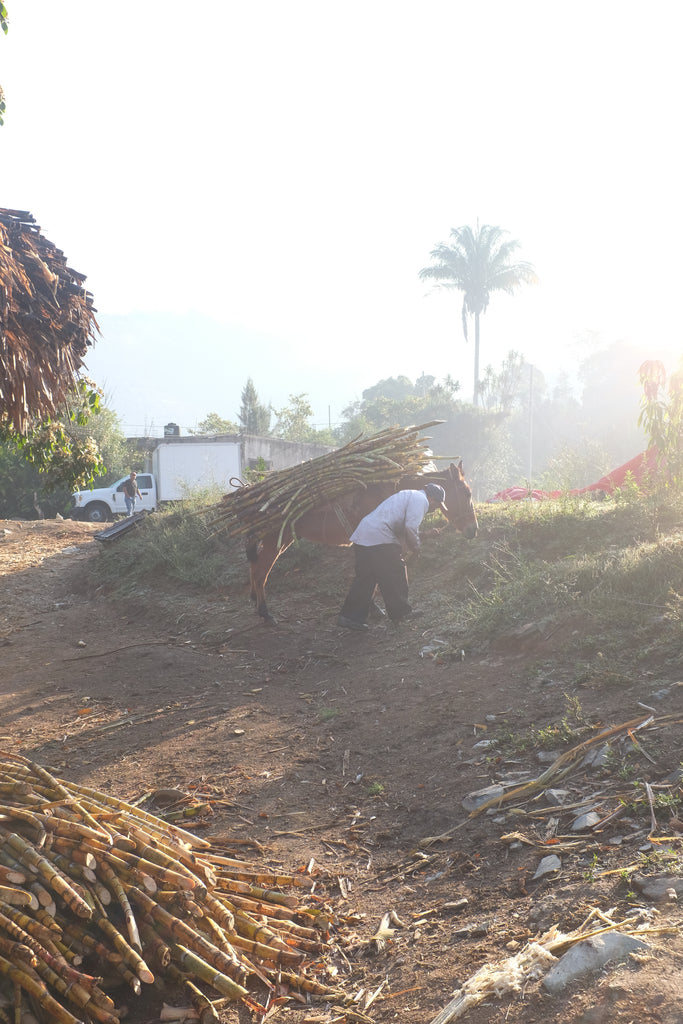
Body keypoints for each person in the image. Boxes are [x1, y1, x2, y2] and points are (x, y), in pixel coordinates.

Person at [337, 483, 448, 630]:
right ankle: (400, 612)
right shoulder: (421, 500)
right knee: (396, 571)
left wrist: (425, 535)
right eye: (436, 505)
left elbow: (403, 530)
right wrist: (417, 548)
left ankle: (350, 617)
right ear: (432, 498)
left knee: (366, 578)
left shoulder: (409, 494)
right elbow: (410, 528)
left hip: (364, 533)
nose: (433, 509)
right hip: (379, 536)